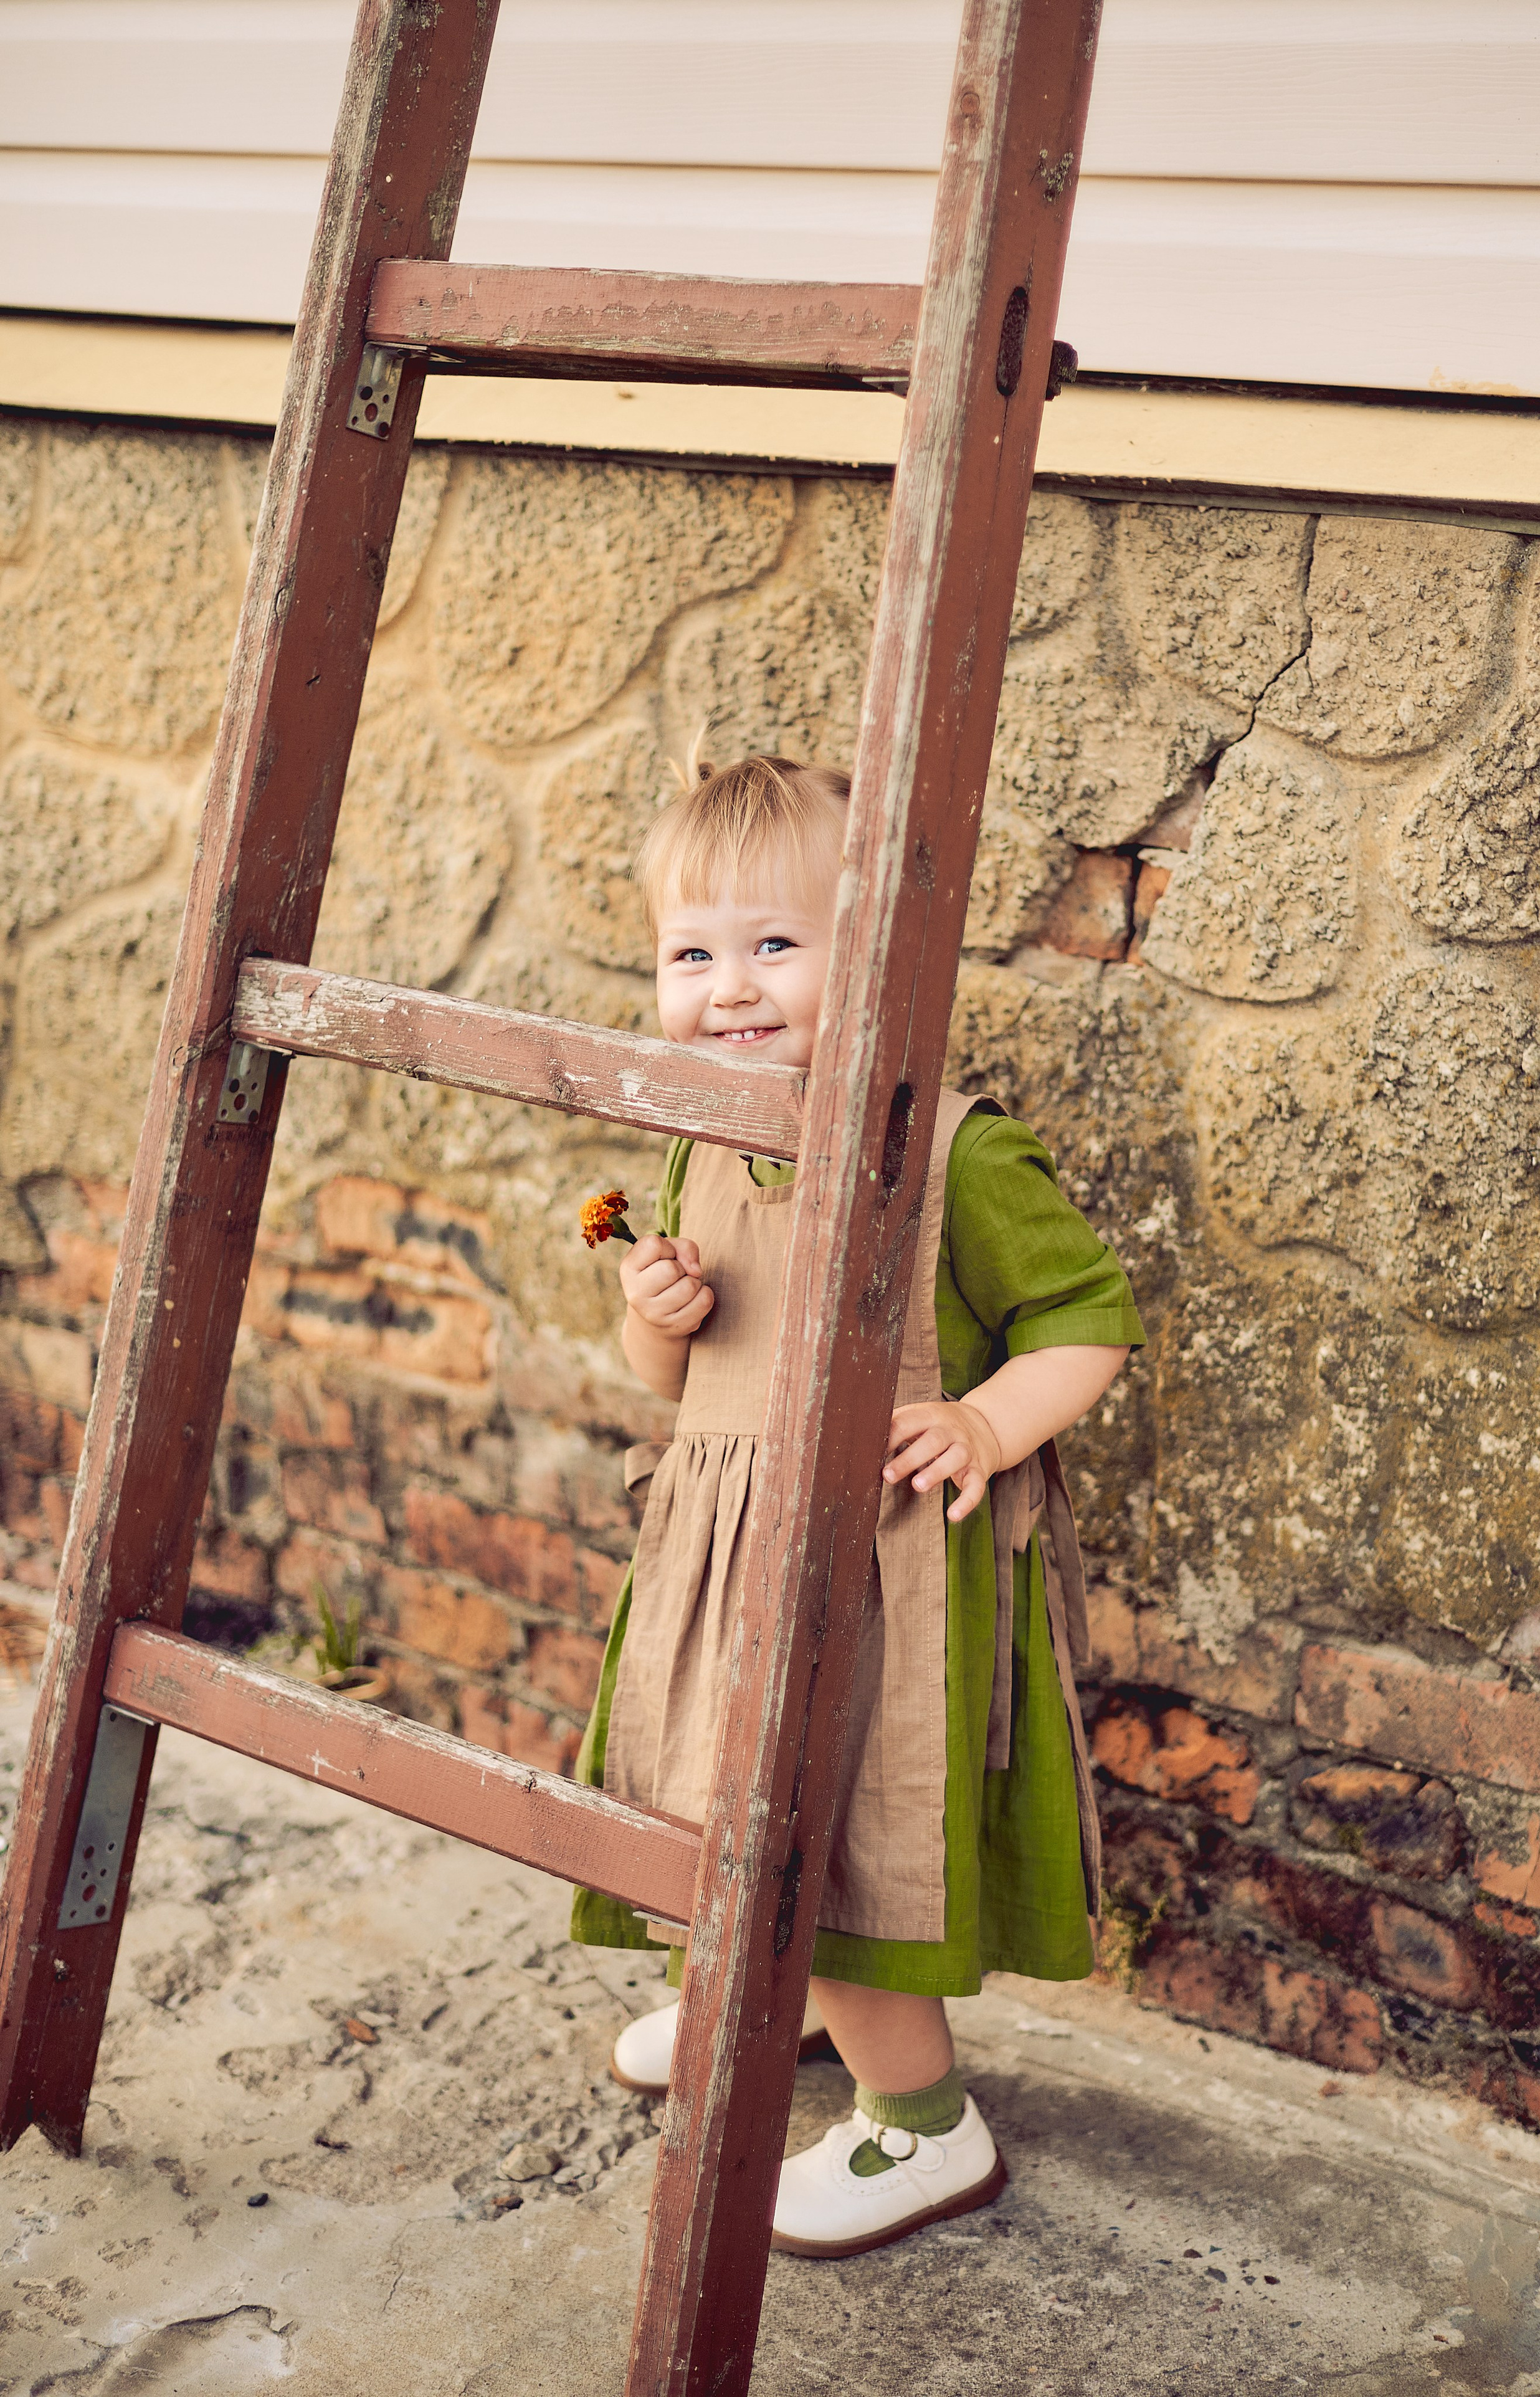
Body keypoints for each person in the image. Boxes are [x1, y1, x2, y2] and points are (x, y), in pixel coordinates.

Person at [571, 753, 1143, 2257]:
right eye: (693, 954)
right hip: (724, 1550)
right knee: (713, 1794)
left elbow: (1086, 1319)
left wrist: (977, 1418)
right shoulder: (696, 1139)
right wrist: (658, 1307)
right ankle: (770, 2012)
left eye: (775, 945)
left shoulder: (955, 1148)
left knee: (838, 1840)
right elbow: (668, 1372)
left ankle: (923, 2128)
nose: (731, 987)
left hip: (881, 1577)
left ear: (876, 955)